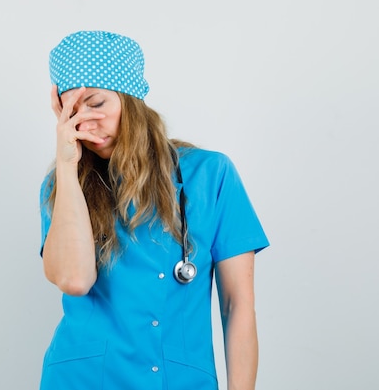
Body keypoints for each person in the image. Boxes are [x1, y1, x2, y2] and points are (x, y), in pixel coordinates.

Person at [38, 30, 269, 390]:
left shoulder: (210, 175)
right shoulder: (61, 188)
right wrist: (67, 168)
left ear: (131, 100)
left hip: (177, 380)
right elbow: (75, 280)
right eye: (71, 110)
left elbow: (236, 305)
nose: (84, 121)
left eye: (96, 103)